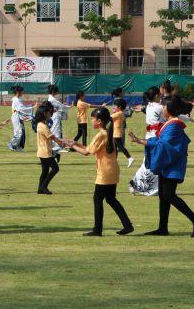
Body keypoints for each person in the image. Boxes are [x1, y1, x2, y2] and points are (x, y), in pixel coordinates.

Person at [129, 96, 194, 238]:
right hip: (168, 164)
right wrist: (140, 141)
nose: (162, 109)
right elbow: (159, 141)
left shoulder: (174, 125)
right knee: (163, 196)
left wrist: (141, 142)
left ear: (169, 109)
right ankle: (162, 228)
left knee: (169, 195)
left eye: (163, 107)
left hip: (173, 165)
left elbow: (163, 145)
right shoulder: (170, 123)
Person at [66, 108, 134, 236]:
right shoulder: (107, 133)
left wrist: (72, 146)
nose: (91, 121)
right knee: (111, 199)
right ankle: (127, 225)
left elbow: (86, 152)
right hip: (112, 170)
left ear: (99, 121)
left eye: (93, 118)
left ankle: (97, 229)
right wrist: (74, 143)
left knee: (98, 199)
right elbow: (90, 148)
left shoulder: (101, 135)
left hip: (105, 172)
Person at [129, 87, 164, 196]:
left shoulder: (149, 106)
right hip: (156, 136)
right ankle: (138, 184)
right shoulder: (160, 107)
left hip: (149, 135)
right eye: (160, 94)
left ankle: (136, 183)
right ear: (157, 96)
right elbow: (169, 117)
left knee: (149, 162)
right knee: (153, 163)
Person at [35, 101, 66, 195]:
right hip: (45, 152)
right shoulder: (43, 126)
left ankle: (40, 189)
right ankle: (44, 186)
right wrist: (61, 143)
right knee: (55, 168)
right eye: (49, 112)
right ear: (44, 114)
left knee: (45, 171)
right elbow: (51, 136)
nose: (50, 114)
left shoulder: (40, 124)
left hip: (43, 151)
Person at [8, 85, 34, 152]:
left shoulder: (17, 99)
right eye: (22, 91)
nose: (23, 93)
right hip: (16, 117)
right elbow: (23, 109)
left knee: (20, 132)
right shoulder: (17, 100)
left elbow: (23, 108)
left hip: (18, 116)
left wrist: (30, 106)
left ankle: (18, 147)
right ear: (18, 92)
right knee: (19, 132)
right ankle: (12, 144)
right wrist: (32, 107)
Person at [111, 99, 134, 167]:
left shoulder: (119, 113)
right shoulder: (120, 113)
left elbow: (109, 118)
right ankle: (114, 161)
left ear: (120, 107)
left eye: (115, 106)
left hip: (117, 133)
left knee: (120, 147)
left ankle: (130, 158)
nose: (114, 107)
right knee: (115, 147)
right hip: (116, 132)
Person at [47, 85, 69, 154]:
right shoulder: (52, 99)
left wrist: (66, 107)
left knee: (55, 130)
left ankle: (56, 145)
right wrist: (68, 107)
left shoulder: (51, 98)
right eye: (56, 91)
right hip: (55, 116)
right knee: (56, 130)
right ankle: (57, 147)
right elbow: (61, 106)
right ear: (53, 91)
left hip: (53, 116)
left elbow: (60, 105)